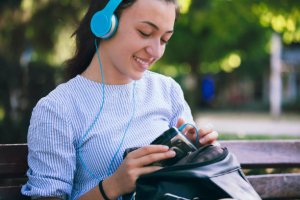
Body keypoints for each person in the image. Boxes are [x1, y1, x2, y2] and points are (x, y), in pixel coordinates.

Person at [21, 0, 219, 199]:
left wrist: (200, 154)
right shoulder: (58, 109)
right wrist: (113, 186)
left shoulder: (167, 91)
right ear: (105, 24)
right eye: (145, 32)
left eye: (164, 40)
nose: (156, 52)